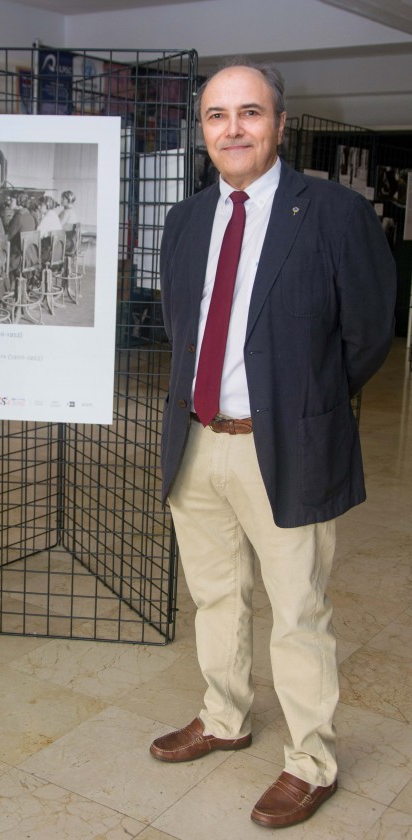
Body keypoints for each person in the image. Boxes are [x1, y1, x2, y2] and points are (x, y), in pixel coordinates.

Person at [151, 57, 396, 830]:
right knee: (216, 597)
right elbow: (180, 327)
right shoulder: (187, 218)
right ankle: (224, 716)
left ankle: (311, 762)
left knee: (297, 612)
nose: (234, 128)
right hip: (196, 445)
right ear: (204, 131)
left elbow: (365, 335)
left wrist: (304, 403)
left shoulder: (331, 212)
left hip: (285, 445)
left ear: (280, 124)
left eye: (249, 112)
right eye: (218, 115)